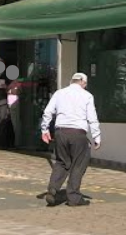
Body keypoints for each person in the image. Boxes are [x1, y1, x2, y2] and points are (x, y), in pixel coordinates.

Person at [40, 72, 101, 207]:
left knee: (61, 162)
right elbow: (92, 118)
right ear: (83, 82)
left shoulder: (59, 93)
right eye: (85, 84)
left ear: (72, 81)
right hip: (78, 133)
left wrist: (45, 129)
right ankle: (74, 197)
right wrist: (96, 136)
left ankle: (53, 189)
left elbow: (48, 112)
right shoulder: (87, 96)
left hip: (60, 132)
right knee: (79, 163)